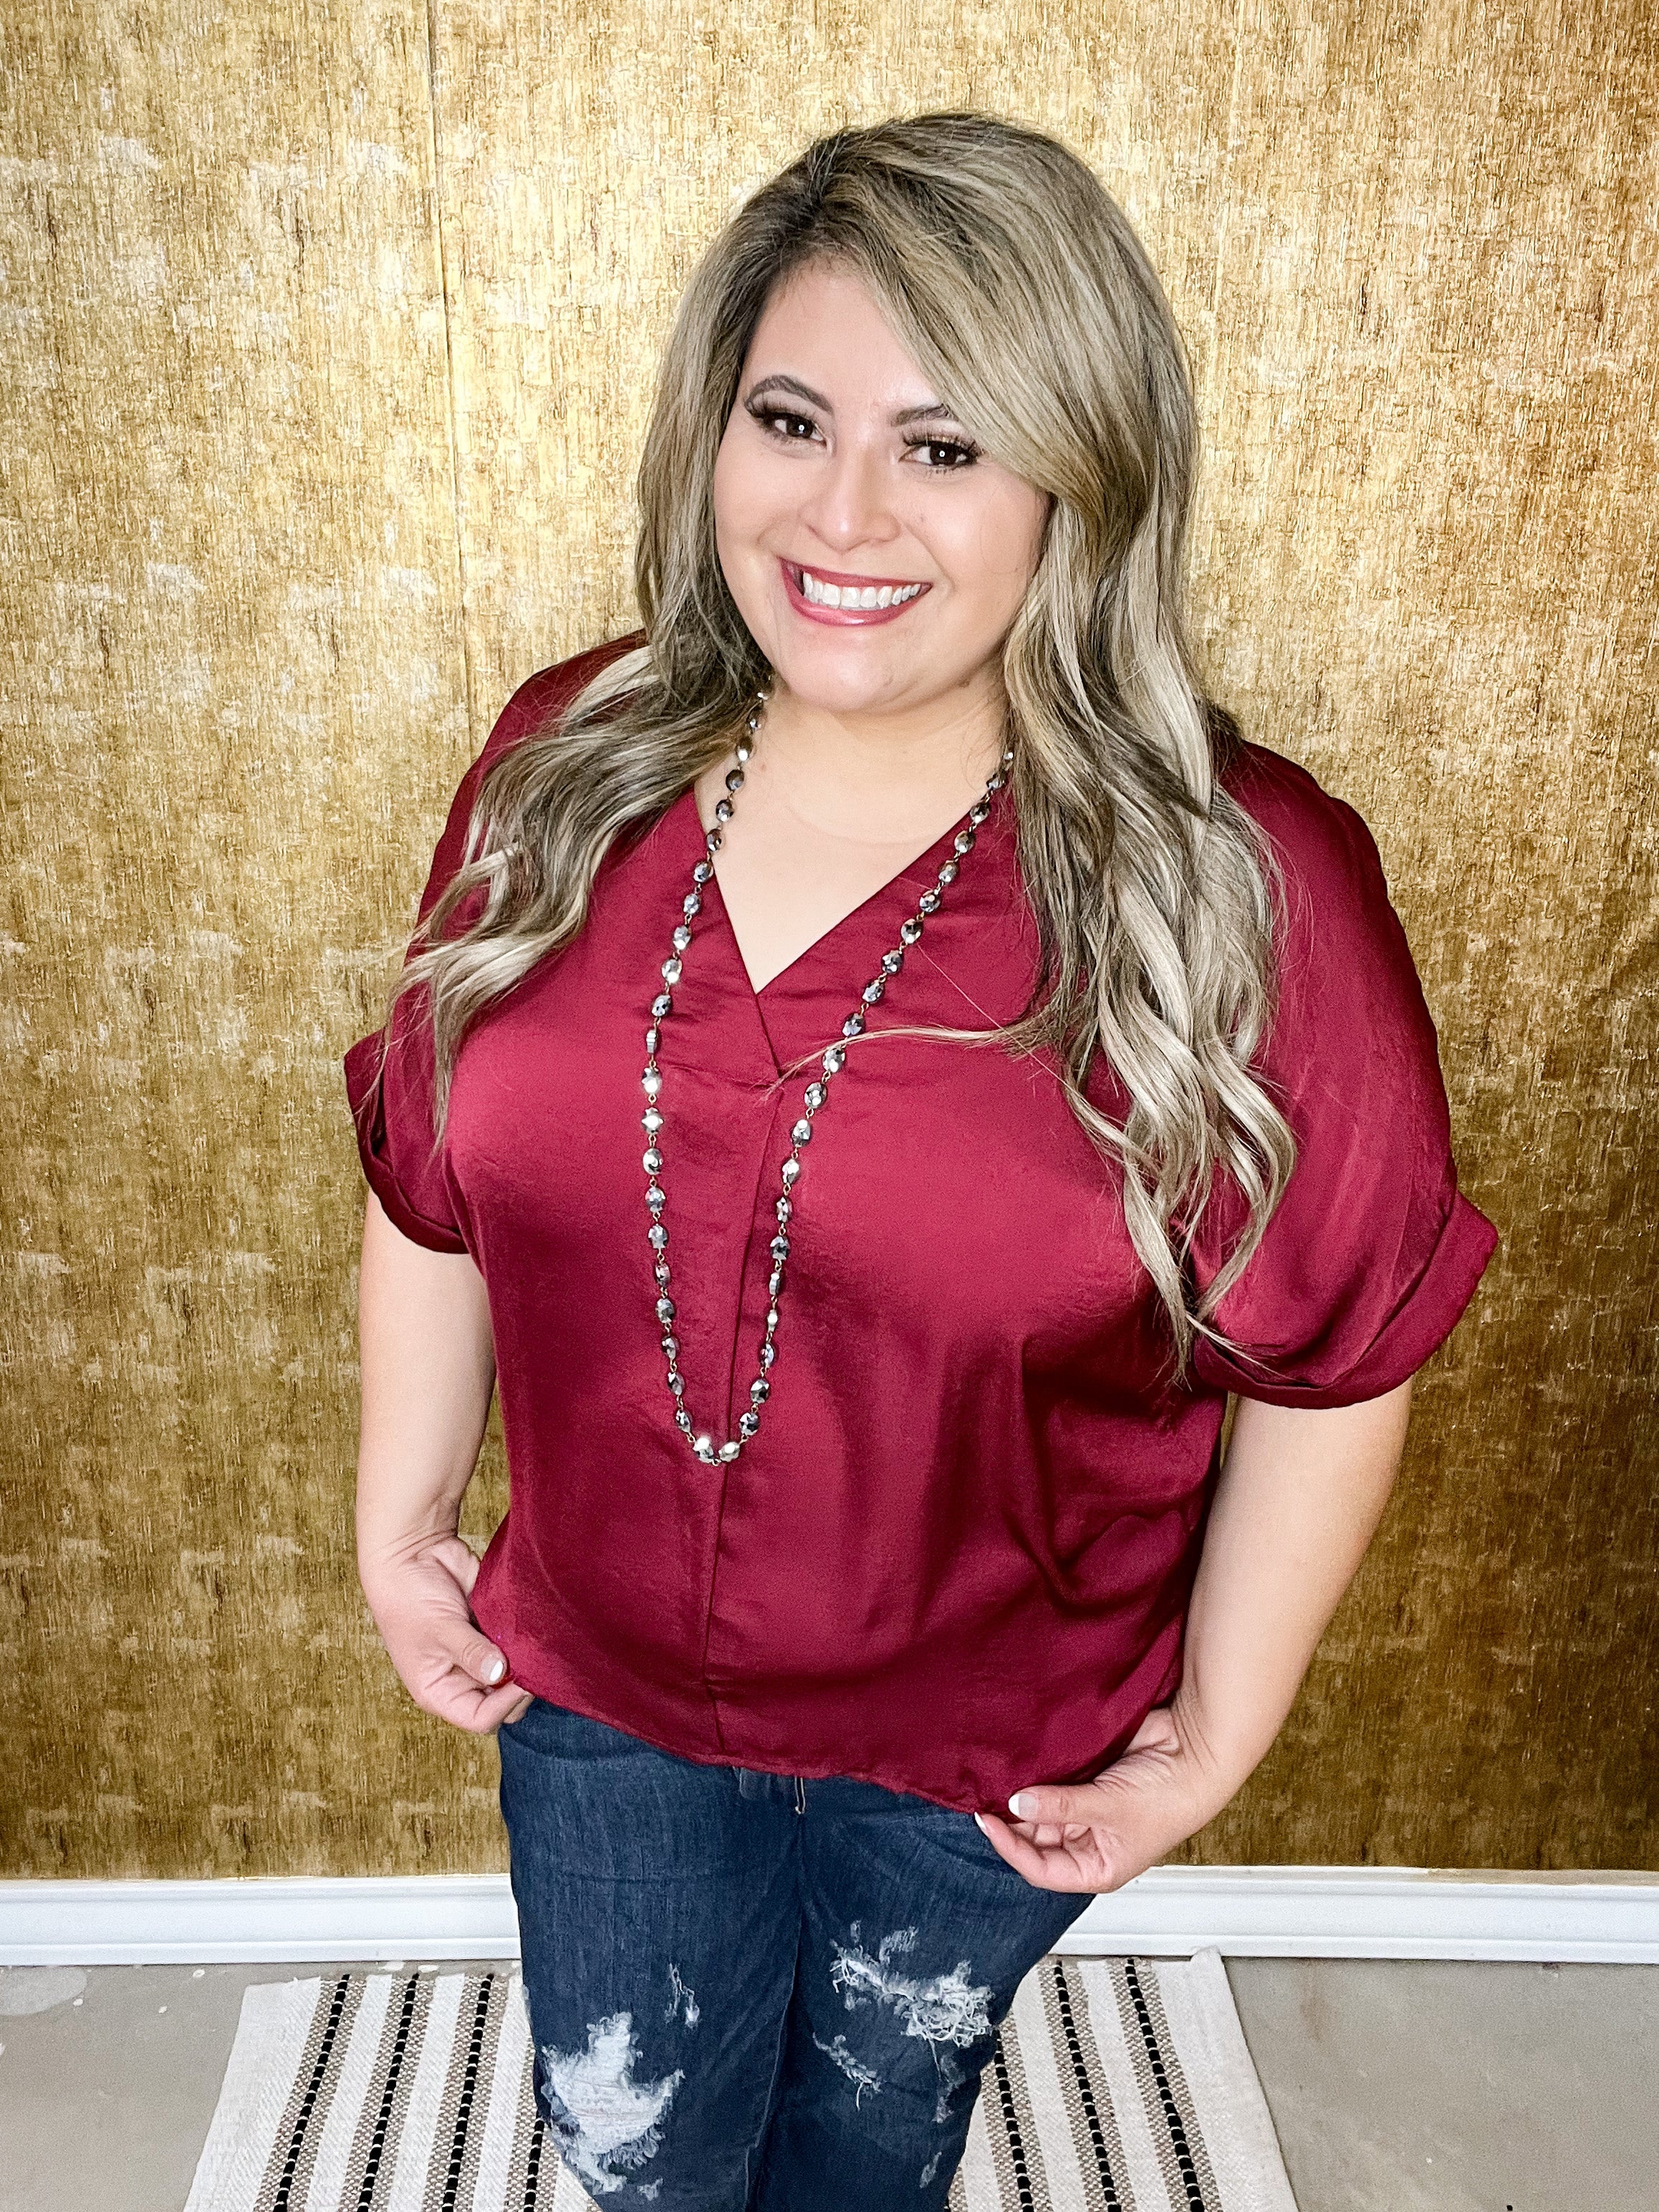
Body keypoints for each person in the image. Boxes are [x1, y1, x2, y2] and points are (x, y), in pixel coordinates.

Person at [345, 111, 1497, 2210]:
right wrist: (399, 1515)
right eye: (789, 420)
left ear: (1078, 479)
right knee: (636, 2149)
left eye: (944, 446)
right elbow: (432, 1174)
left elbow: (1336, 1352)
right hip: (594, 1685)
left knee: (866, 2155)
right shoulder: (562, 766)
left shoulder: (1245, 886)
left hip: (989, 1731)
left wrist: (1211, 1734)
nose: (844, 513)